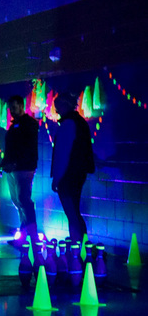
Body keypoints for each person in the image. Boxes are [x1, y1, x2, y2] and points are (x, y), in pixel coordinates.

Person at [51, 92, 95, 243]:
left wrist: (57, 178)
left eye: (57, 107)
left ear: (64, 105)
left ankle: (78, 245)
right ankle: (81, 244)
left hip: (68, 175)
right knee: (74, 211)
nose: (56, 111)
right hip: (78, 173)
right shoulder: (80, 122)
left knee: (71, 212)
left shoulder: (68, 124)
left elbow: (62, 154)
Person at [3, 95, 39, 242]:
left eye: (14, 107)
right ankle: (24, 234)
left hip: (23, 168)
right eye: (10, 108)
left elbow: (27, 147)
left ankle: (32, 235)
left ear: (21, 106)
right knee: (18, 200)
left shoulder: (28, 123)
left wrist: (15, 163)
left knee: (23, 199)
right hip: (13, 168)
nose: (11, 110)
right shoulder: (14, 125)